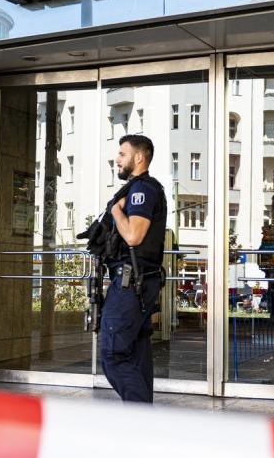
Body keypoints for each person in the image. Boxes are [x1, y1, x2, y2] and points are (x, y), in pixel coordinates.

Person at [99, 134, 167, 403]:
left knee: (113, 354)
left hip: (131, 283)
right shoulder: (141, 189)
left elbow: (134, 237)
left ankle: (138, 419)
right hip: (137, 282)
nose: (117, 159)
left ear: (139, 157)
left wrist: (116, 211)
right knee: (137, 353)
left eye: (123, 154)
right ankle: (142, 422)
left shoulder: (141, 191)